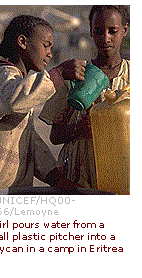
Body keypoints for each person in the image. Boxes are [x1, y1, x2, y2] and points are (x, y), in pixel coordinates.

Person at [0, 14, 85, 195]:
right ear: (22, 42)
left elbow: (28, 140)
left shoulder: (17, 81)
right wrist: (59, 73)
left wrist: (55, 177)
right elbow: (14, 100)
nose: (50, 54)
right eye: (46, 46)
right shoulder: (3, 76)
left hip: (8, 191)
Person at [39, 5, 130, 188]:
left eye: (113, 31)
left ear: (124, 30)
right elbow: (55, 136)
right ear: (90, 31)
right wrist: (79, 129)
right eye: (98, 31)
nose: (105, 38)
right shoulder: (75, 75)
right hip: (78, 177)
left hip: (123, 175)